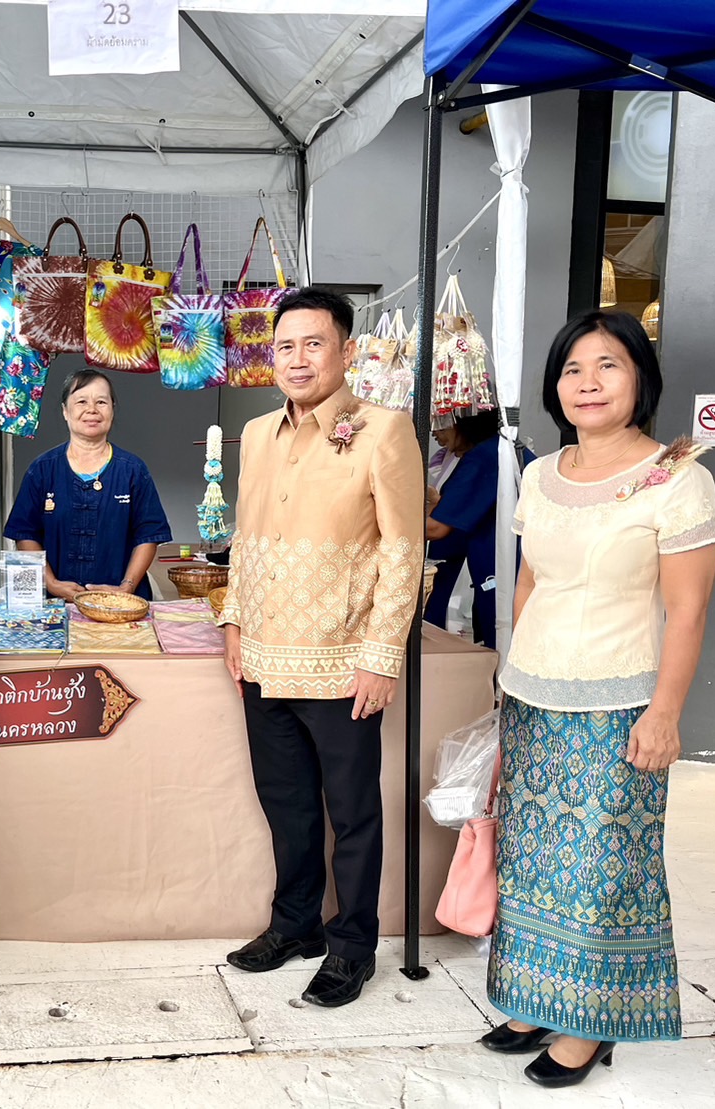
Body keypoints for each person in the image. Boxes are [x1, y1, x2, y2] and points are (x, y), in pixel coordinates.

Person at [481, 310, 715, 1088]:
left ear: (639, 377)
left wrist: (664, 711)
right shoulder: (540, 474)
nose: (586, 382)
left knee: (600, 868)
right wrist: (512, 674)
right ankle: (534, 999)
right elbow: (529, 581)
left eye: (607, 364)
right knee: (531, 861)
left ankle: (588, 1022)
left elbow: (687, 609)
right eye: (571, 368)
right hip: (533, 697)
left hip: (618, 706)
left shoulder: (677, 478)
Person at [218, 286, 423, 1008]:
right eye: (285, 346)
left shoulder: (383, 429)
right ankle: (294, 925)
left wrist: (381, 655)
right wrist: (233, 621)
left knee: (352, 812)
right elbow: (245, 536)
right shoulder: (254, 434)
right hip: (262, 655)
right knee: (287, 803)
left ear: (347, 351)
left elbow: (403, 549)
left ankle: (352, 946)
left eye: (314, 343)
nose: (298, 359)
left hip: (341, 662)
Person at [4, 369, 172, 602]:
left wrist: (126, 587)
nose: (92, 409)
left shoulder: (133, 470)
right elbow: (25, 533)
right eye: (81, 401)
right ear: (65, 411)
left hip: (121, 605)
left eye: (101, 402)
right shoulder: (42, 469)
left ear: (112, 409)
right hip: (56, 604)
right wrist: (52, 584)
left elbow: (148, 536)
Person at [424, 410, 510, 648]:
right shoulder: (498, 449)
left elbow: (437, 528)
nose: (434, 432)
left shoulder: (483, 459)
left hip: (484, 571)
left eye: (441, 422)